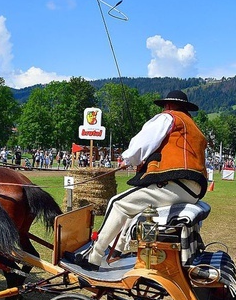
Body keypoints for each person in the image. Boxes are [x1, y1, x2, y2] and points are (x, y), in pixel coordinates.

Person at [73, 90, 208, 269]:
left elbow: (142, 143)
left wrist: (127, 159)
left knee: (117, 203)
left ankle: (93, 257)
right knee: (135, 207)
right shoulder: (193, 127)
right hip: (193, 190)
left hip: (176, 183)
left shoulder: (168, 118)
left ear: (167, 105)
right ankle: (118, 250)